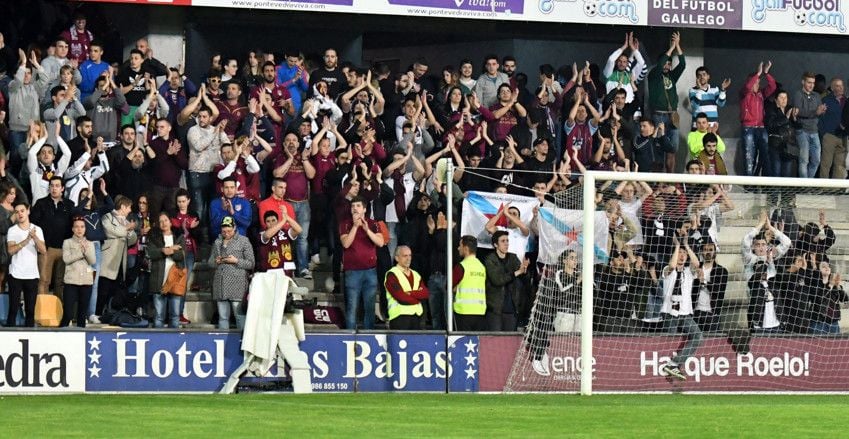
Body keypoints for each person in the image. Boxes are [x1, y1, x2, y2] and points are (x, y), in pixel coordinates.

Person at [528, 249, 580, 376]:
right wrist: (578, 281)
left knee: (577, 345)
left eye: (576, 258)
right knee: (562, 343)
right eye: (572, 258)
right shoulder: (559, 275)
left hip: (578, 315)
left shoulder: (579, 275)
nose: (575, 261)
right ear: (564, 260)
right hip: (563, 315)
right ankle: (556, 370)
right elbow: (562, 292)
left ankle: (576, 372)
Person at [659, 236, 704, 381]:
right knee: (669, 342)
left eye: (684, 253)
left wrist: (686, 246)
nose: (682, 255)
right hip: (669, 313)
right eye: (680, 253)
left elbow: (697, 264)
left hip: (685, 314)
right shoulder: (667, 270)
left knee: (698, 337)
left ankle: (673, 364)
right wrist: (677, 246)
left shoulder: (688, 272)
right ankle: (664, 373)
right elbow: (672, 266)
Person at [339, 196, 385, 330]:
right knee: (352, 308)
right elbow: (346, 244)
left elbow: (380, 242)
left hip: (370, 271)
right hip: (352, 272)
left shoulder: (373, 223)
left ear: (364, 209)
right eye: (353, 206)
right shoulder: (345, 224)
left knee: (369, 308)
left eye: (358, 206)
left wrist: (367, 230)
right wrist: (355, 226)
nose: (355, 208)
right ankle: (350, 338)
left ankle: (369, 338)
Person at [647, 31, 685, 173]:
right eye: (665, 62)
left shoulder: (672, 76)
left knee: (672, 149)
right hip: (659, 115)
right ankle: (658, 184)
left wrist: (678, 46)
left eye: (669, 63)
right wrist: (670, 49)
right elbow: (661, 63)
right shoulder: (654, 75)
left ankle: (670, 182)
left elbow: (682, 64)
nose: (667, 65)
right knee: (658, 149)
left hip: (672, 116)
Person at [30, 176, 73, 298]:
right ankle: (41, 313)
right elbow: (33, 224)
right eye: (52, 185)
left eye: (57, 186)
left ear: (62, 188)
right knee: (44, 280)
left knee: (60, 282)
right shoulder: (41, 203)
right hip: (46, 249)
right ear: (49, 188)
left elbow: (74, 225)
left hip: (64, 249)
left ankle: (58, 313)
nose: (54, 188)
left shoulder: (69, 205)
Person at [6, 201, 46, 327]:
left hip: (32, 274)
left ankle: (31, 337)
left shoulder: (37, 229)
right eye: (17, 212)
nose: (20, 214)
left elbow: (43, 250)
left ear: (28, 211)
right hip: (16, 273)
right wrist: (26, 240)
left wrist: (34, 237)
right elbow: (10, 250)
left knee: (30, 311)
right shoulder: (12, 230)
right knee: (12, 309)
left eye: (22, 211)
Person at [210, 216, 254, 330]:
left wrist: (236, 261)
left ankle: (242, 342)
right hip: (221, 284)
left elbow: (251, 263)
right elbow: (210, 263)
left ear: (234, 228)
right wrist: (216, 261)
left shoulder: (244, 241)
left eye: (229, 231)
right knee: (223, 317)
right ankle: (223, 343)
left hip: (237, 284)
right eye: (224, 231)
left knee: (239, 316)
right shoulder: (217, 241)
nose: (226, 233)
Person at [97, 195, 137, 318]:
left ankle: (107, 313)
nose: (130, 210)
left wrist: (129, 232)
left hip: (120, 261)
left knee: (113, 291)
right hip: (108, 259)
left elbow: (133, 240)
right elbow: (110, 232)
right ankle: (96, 313)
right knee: (103, 290)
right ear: (123, 206)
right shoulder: (108, 217)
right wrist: (126, 229)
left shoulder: (126, 221)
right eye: (129, 207)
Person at [147, 212, 186, 328]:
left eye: (165, 220)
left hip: (175, 281)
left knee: (174, 316)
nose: (163, 223)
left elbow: (181, 255)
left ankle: (174, 343)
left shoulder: (179, 237)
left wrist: (169, 251)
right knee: (158, 316)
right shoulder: (154, 239)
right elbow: (151, 253)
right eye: (160, 221)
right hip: (159, 281)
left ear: (170, 222)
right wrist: (165, 250)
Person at [484, 230, 526, 331]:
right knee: (495, 341)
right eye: (503, 241)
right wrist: (516, 273)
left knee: (509, 342)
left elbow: (523, 277)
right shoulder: (490, 259)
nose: (506, 243)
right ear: (495, 244)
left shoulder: (513, 257)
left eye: (507, 240)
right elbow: (497, 280)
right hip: (495, 309)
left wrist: (525, 270)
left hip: (511, 308)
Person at [740, 61, 776, 176]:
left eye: (759, 83)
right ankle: (749, 185)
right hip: (748, 128)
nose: (757, 85)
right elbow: (747, 87)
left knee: (765, 156)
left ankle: (765, 184)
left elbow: (773, 87)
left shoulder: (761, 94)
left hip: (761, 128)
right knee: (749, 157)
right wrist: (758, 73)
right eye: (755, 82)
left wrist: (766, 73)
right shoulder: (744, 94)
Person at [61, 217, 96, 327]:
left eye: (82, 227)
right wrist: (82, 252)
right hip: (71, 282)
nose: (79, 229)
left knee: (82, 314)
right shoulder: (67, 242)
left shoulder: (90, 244)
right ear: (72, 229)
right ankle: (60, 336)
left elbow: (92, 261)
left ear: (85, 229)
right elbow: (67, 259)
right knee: (68, 313)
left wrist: (86, 250)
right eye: (76, 227)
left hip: (86, 282)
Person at [383, 245, 429, 330]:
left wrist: (410, 293)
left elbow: (425, 293)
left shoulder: (415, 274)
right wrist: (417, 299)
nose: (408, 258)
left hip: (417, 317)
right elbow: (400, 297)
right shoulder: (392, 274)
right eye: (405, 256)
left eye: (410, 255)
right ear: (397, 258)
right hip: (399, 318)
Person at [793, 71, 827, 178]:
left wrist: (822, 110)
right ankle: (804, 186)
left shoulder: (817, 95)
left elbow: (819, 112)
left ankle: (807, 184)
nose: (812, 85)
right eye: (809, 82)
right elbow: (799, 112)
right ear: (803, 82)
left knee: (816, 160)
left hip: (814, 131)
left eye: (813, 83)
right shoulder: (798, 94)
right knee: (804, 160)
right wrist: (815, 112)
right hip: (802, 131)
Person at [452, 235, 487, 331]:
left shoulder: (461, 266)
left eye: (460, 245)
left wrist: (457, 287)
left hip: (463, 312)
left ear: (466, 248)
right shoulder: (481, 267)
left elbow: (449, 287)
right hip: (480, 311)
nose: (458, 248)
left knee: (462, 343)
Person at [692, 240, 728, 332]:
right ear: (701, 252)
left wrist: (703, 281)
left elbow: (718, 290)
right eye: (705, 249)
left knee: (710, 343)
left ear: (715, 252)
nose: (708, 252)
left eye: (711, 249)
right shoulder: (695, 268)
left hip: (712, 314)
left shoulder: (722, 271)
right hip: (695, 312)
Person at [808, 256, 848, 334]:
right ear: (818, 270)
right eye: (823, 266)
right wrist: (830, 285)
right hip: (818, 322)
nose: (827, 268)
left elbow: (845, 299)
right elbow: (819, 299)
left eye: (828, 266)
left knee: (834, 344)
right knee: (817, 345)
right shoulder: (814, 283)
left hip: (834, 322)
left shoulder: (834, 284)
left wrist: (839, 286)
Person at [258, 209, 302, 277]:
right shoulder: (262, 234)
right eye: (268, 221)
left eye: (273, 220)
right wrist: (283, 221)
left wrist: (287, 217)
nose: (271, 223)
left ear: (277, 221)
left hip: (287, 271)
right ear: (265, 224)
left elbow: (299, 230)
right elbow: (268, 235)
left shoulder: (285, 232)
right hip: (270, 272)